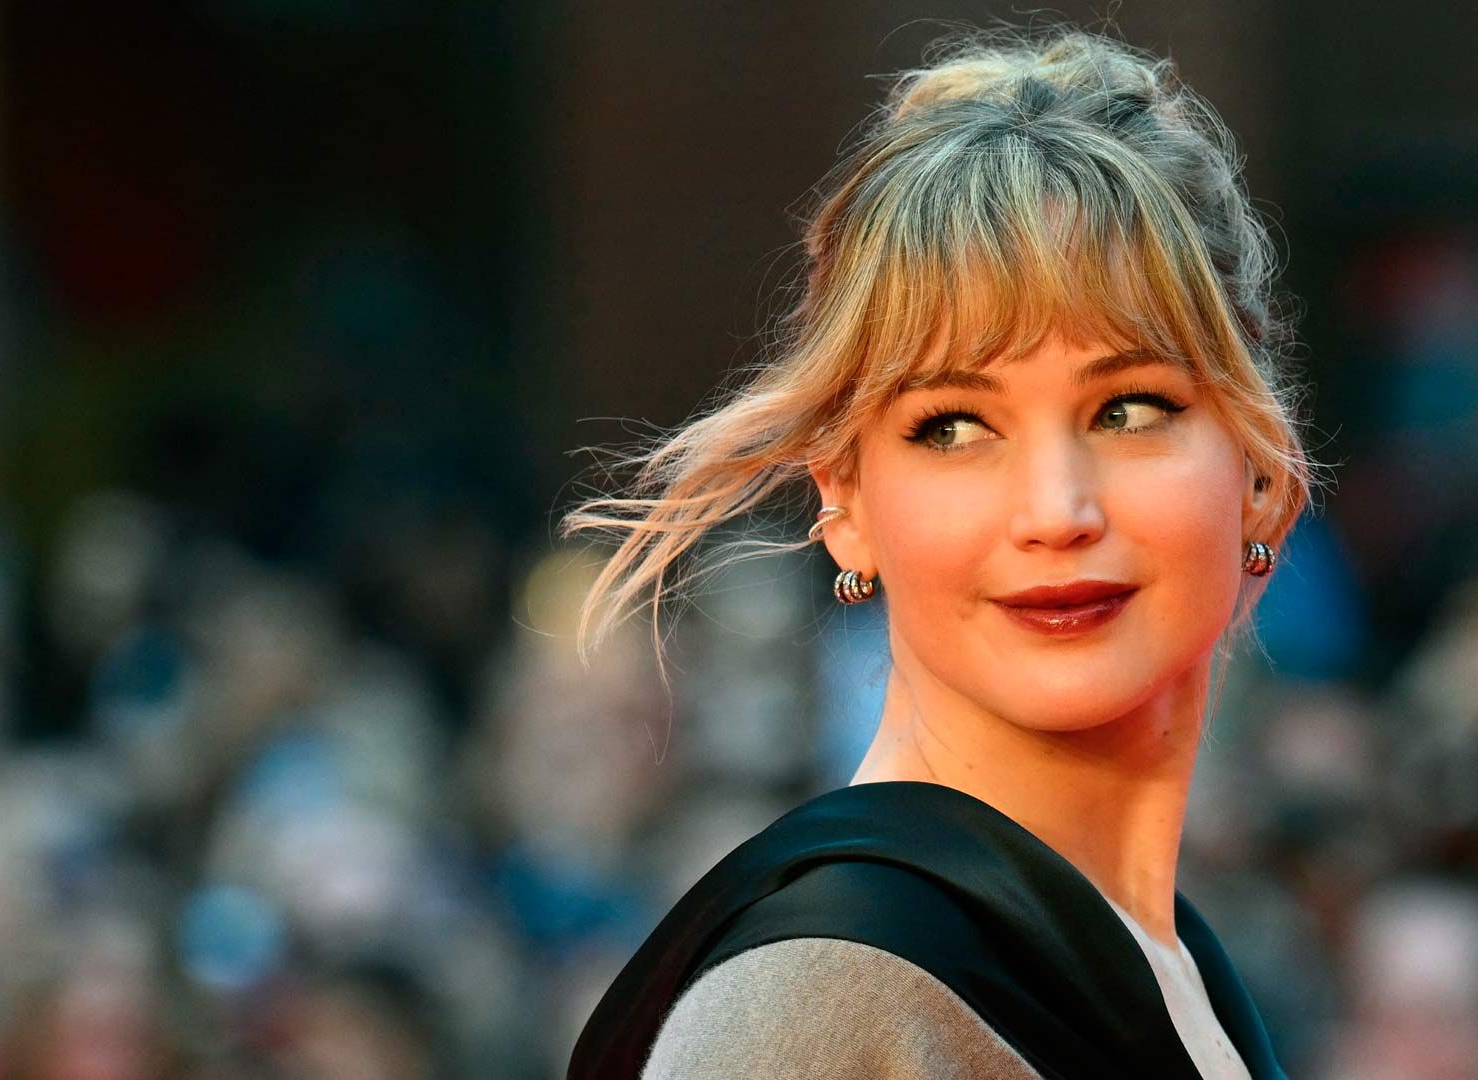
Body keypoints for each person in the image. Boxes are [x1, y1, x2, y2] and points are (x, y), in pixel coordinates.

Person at [560, 22, 1314, 1080]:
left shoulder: (1177, 973)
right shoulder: (824, 1005)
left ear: (1262, 466)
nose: (1056, 511)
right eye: (954, 426)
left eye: (1129, 409)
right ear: (845, 499)